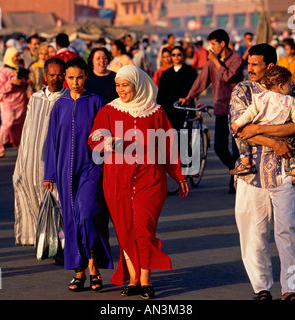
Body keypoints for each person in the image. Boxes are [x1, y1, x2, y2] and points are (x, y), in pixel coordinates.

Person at [88, 65, 189, 299]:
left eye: (126, 85)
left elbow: (168, 147)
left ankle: (146, 278)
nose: (121, 90)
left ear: (138, 84)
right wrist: (106, 142)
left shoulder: (156, 113)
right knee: (125, 230)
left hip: (150, 178)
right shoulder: (109, 111)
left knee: (143, 227)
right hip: (116, 181)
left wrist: (179, 175)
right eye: (118, 85)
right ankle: (133, 279)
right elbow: (93, 138)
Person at [229, 43, 295, 300]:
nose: (249, 68)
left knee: (287, 232)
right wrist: (273, 141)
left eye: (254, 64)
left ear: (270, 66)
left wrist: (257, 130)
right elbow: (239, 129)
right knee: (253, 232)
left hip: (287, 170)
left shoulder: (290, 88)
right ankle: (261, 287)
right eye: (248, 63)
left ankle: (291, 289)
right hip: (250, 174)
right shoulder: (242, 90)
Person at [44, 57, 113, 292]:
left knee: (87, 213)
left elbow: (105, 135)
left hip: (91, 167)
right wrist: (49, 173)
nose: (75, 82)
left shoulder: (96, 101)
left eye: (80, 77)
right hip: (64, 170)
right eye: (70, 77)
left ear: (86, 76)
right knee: (71, 219)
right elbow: (51, 141)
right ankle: (80, 272)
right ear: (65, 78)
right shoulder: (59, 105)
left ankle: (94, 264)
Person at [179, 29, 243, 194]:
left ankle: (234, 181)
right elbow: (202, 80)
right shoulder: (211, 62)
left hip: (238, 109)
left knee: (237, 148)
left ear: (222, 44)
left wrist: (215, 61)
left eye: (213, 44)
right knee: (219, 147)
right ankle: (236, 170)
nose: (211, 47)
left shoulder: (236, 59)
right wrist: (189, 96)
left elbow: (228, 77)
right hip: (220, 108)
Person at [13, 58, 69, 247]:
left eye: (60, 75)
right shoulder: (36, 98)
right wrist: (21, 162)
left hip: (57, 162)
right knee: (34, 200)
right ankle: (43, 241)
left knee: (58, 203)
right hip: (32, 161)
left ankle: (60, 245)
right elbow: (27, 131)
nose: (56, 78)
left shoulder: (68, 99)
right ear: (45, 76)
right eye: (52, 75)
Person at [231, 65, 295, 186]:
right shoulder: (291, 101)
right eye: (289, 84)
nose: (291, 87)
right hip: (284, 136)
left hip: (261, 135)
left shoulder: (260, 98)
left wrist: (237, 124)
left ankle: (245, 162)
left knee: (243, 140)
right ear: (280, 86)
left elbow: (249, 114)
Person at [0, 47, 28, 158]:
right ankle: (0, 147)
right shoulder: (2, 72)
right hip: (8, 103)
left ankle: (20, 146)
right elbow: (0, 88)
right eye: (16, 56)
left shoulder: (21, 69)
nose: (18, 58)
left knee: (20, 125)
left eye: (19, 56)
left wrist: (22, 82)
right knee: (7, 123)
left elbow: (25, 82)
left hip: (20, 101)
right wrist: (11, 83)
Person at [157, 46, 198, 130]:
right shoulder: (166, 74)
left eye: (179, 54)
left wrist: (188, 99)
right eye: (173, 55)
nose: (176, 57)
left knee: (185, 138)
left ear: (183, 55)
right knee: (172, 137)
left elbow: (195, 88)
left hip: (185, 107)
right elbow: (161, 93)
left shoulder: (190, 71)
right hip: (169, 109)